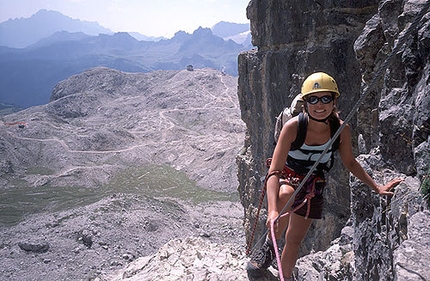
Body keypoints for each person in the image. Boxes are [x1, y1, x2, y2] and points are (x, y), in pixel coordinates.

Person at [246, 72, 403, 280]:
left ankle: (284, 277)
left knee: (294, 240)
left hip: (313, 186)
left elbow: (350, 162)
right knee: (286, 195)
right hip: (289, 177)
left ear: (334, 101)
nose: (320, 105)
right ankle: (268, 247)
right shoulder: (292, 127)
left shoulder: (340, 130)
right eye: (313, 99)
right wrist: (272, 211)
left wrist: (377, 187)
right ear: (305, 103)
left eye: (325, 98)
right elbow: (274, 171)